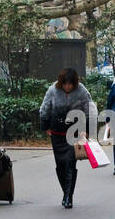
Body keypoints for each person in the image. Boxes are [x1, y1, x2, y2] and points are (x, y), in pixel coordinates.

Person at [39, 68, 94, 209]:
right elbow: (45, 109)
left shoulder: (82, 91)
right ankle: (66, 192)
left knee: (70, 163)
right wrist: (45, 126)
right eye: (64, 84)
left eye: (70, 84)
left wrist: (87, 130)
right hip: (57, 133)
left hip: (74, 133)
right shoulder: (52, 90)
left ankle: (68, 197)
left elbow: (90, 110)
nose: (67, 87)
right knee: (60, 165)